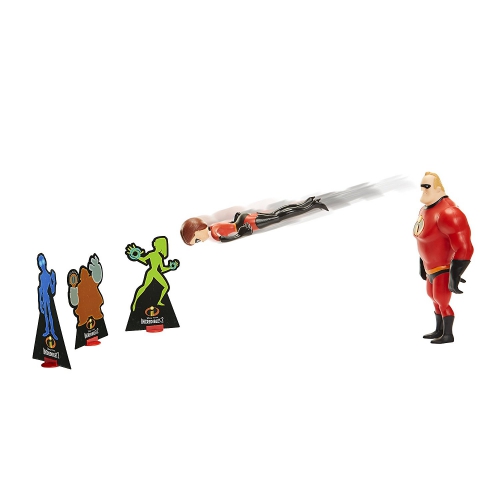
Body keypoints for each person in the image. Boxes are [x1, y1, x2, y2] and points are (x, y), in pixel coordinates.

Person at [413, 172, 473, 344]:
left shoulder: (449, 213)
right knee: (433, 299)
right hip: (429, 268)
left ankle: (448, 334)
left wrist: (455, 274)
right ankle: (439, 330)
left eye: (427, 186)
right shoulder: (424, 210)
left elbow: (465, 247)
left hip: (442, 268)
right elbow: (424, 240)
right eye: (422, 186)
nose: (423, 189)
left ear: (438, 189)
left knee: (442, 301)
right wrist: (422, 263)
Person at [180, 196, 328, 245]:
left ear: (197, 230)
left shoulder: (214, 232)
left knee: (278, 217)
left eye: (197, 240)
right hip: (243, 219)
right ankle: (308, 203)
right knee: (277, 214)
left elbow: (228, 238)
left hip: (247, 223)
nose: (201, 241)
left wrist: (241, 233)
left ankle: (311, 205)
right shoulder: (213, 227)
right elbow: (230, 227)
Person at [125, 236, 179, 311]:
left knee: (166, 287)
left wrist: (170, 268)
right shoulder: (152, 254)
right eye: (154, 242)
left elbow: (162, 269)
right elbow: (144, 260)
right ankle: (135, 302)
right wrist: (137, 256)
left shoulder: (160, 256)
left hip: (156, 272)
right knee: (144, 287)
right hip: (151, 272)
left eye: (155, 243)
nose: (154, 243)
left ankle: (159, 301)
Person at [37, 253, 58, 340]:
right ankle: (47, 330)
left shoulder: (49, 275)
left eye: (42, 261)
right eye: (40, 262)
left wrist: (54, 280)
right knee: (46, 315)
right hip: (44, 298)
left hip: (49, 298)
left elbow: (52, 290)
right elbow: (41, 289)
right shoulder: (41, 276)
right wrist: (40, 302)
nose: (41, 264)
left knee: (50, 315)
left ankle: (52, 331)